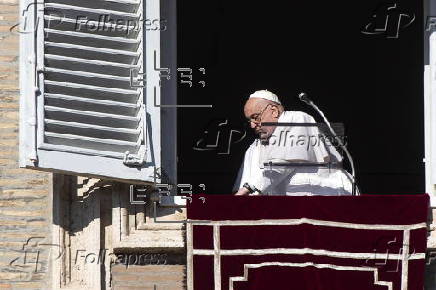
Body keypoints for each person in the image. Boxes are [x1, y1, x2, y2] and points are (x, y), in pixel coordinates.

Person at [233, 89, 353, 196]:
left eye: (256, 117)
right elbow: (242, 191)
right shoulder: (254, 148)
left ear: (274, 111)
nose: (252, 125)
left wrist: (248, 189)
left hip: (327, 198)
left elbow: (282, 164)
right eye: (249, 120)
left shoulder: (296, 119)